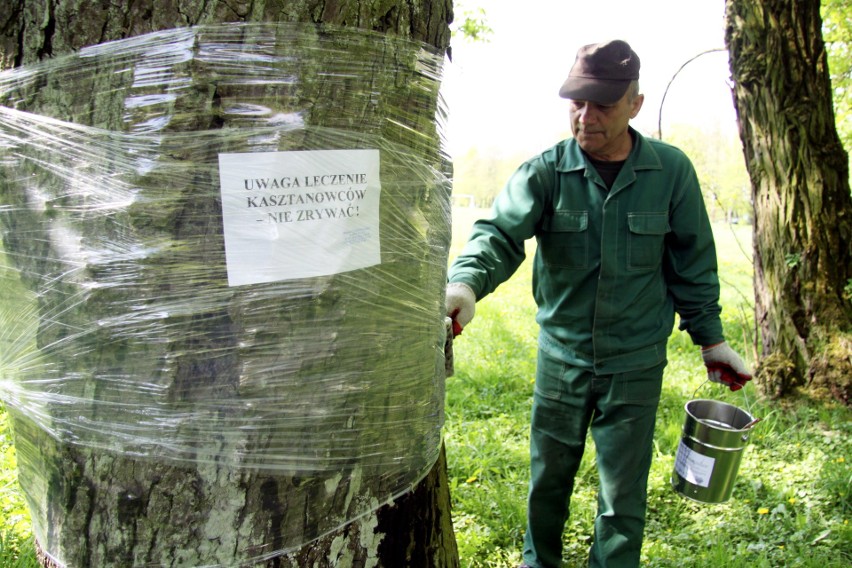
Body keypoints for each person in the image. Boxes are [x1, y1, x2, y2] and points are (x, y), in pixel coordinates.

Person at [444, 40, 752, 568]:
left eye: (603, 104)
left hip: (635, 363)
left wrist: (713, 341)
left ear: (635, 104)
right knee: (548, 481)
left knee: (621, 494)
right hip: (562, 361)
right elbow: (498, 236)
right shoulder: (545, 172)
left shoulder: (671, 172)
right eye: (577, 103)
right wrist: (465, 287)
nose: (586, 117)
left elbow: (692, 264)